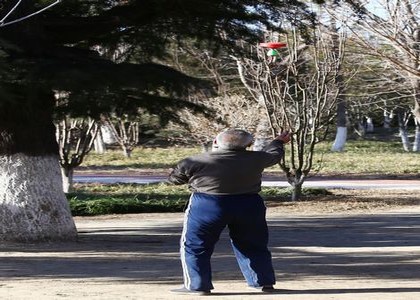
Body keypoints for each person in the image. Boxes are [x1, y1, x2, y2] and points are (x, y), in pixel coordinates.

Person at [168, 128, 291, 296]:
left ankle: (197, 286)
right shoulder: (258, 158)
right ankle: (262, 283)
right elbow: (275, 154)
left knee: (195, 245)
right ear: (249, 145)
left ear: (215, 142)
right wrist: (278, 141)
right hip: (249, 204)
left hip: (207, 204)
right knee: (253, 244)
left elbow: (174, 179)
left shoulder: (193, 161)